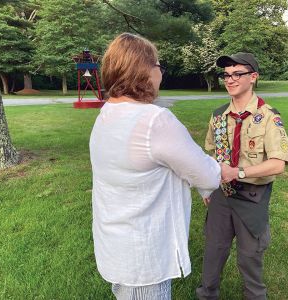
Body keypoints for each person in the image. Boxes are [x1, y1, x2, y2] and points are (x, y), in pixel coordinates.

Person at [89, 33, 221, 300]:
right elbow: (206, 175)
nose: (161, 72)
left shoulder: (107, 113)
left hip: (116, 244)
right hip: (144, 255)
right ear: (144, 70)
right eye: (158, 65)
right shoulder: (154, 120)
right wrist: (228, 171)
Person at [196, 52, 288, 300]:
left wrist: (238, 171)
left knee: (249, 259)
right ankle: (206, 296)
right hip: (222, 196)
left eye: (237, 74)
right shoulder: (218, 116)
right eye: (226, 75)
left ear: (253, 77)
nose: (230, 80)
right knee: (213, 253)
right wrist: (208, 185)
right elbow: (212, 154)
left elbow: (278, 163)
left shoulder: (268, 116)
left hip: (253, 197)